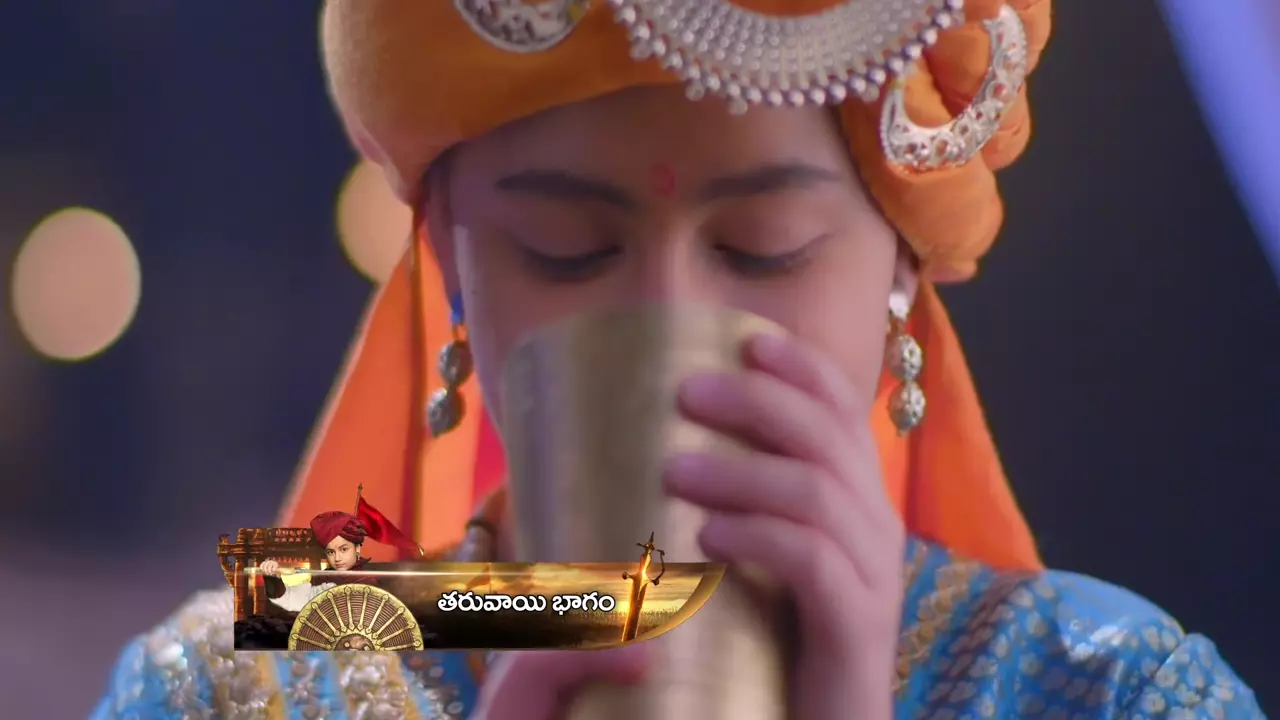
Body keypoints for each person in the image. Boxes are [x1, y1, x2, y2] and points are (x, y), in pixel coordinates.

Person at [92, 1, 1266, 719]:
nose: (666, 318)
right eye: (565, 249)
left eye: (764, 249)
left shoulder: (1102, 689)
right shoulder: (239, 685)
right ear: (447, 260)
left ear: (901, 270)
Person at [258, 510, 378, 613]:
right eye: (331, 552)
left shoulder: (369, 582)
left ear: (357, 549)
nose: (337, 558)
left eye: (344, 549)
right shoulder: (323, 580)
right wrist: (273, 578)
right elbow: (289, 599)